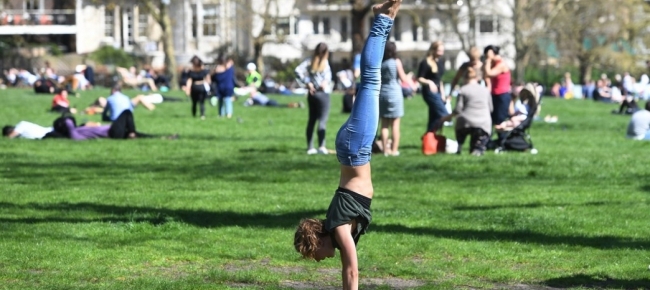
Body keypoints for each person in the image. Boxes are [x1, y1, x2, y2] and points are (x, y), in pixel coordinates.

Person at [293, 2, 400, 290]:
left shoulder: (339, 228)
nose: (317, 261)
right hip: (352, 148)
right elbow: (346, 268)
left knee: (370, 82)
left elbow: (352, 272)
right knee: (369, 83)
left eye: (313, 255)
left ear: (318, 241)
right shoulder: (339, 229)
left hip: (355, 148)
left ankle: (380, 19)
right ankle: (385, 19)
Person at [439, 67, 492, 155]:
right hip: (483, 123)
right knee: (479, 136)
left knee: (461, 124)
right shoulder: (485, 90)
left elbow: (458, 110)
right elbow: (490, 108)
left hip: (465, 122)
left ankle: (459, 146)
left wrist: (446, 118)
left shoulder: (463, 90)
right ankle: (478, 148)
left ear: (464, 78)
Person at [295, 42, 333, 155]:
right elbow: (327, 79)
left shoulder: (309, 61)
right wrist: (324, 83)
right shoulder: (325, 63)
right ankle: (321, 146)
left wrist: (307, 83)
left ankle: (310, 147)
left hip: (312, 94)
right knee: (322, 120)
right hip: (322, 94)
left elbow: (297, 71)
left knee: (311, 120)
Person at [379, 41, 410, 156]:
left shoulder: (381, 63)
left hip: (383, 93)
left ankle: (384, 150)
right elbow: (403, 79)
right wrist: (409, 76)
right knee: (395, 124)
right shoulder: (396, 62)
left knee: (384, 124)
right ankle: (394, 150)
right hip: (395, 93)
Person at [417, 40, 447, 132]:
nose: (441, 53)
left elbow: (439, 79)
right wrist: (429, 82)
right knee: (444, 114)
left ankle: (429, 138)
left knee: (434, 115)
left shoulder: (440, 62)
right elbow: (419, 78)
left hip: (438, 91)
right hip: (429, 92)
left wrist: (443, 93)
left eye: (442, 51)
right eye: (439, 51)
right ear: (433, 50)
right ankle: (431, 136)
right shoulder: (425, 62)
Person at [483, 45, 512, 142]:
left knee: (500, 119)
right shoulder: (494, 64)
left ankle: (502, 142)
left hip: (502, 96)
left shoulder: (501, 64)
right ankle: (489, 140)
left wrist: (487, 61)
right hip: (494, 95)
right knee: (491, 119)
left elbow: (489, 73)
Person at [211, 54, 237, 118]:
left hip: (220, 87)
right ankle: (229, 114)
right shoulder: (230, 68)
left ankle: (221, 114)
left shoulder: (217, 69)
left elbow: (214, 78)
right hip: (229, 86)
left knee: (221, 100)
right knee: (228, 99)